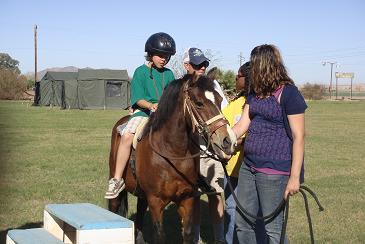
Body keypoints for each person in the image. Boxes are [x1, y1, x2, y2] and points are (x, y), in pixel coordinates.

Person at [232, 44, 307, 243]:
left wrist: (294, 178)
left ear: (265, 66)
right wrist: (219, 141)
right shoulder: (254, 93)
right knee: (243, 224)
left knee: (273, 230)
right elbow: (241, 126)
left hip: (275, 172)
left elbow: (299, 136)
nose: (251, 69)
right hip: (249, 167)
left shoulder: (289, 93)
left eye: (254, 65)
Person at [105, 32, 176, 199]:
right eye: (160, 55)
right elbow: (137, 98)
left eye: (166, 56)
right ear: (150, 54)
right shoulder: (140, 72)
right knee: (127, 136)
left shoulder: (170, 74)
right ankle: (116, 179)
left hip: (165, 115)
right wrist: (151, 105)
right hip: (143, 113)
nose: (163, 58)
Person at [182, 47, 228, 244]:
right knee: (192, 198)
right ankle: (196, 240)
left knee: (215, 194)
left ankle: (219, 240)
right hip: (187, 153)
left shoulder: (213, 84)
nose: (202, 67)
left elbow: (223, 110)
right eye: (197, 64)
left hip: (210, 150)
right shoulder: (180, 86)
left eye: (204, 64)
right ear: (186, 65)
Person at [222, 62, 251, 244]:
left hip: (245, 170)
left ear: (247, 79)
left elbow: (247, 135)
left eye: (238, 75)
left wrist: (234, 143)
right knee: (230, 209)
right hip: (229, 167)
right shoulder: (236, 102)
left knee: (241, 213)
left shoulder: (251, 104)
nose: (235, 78)